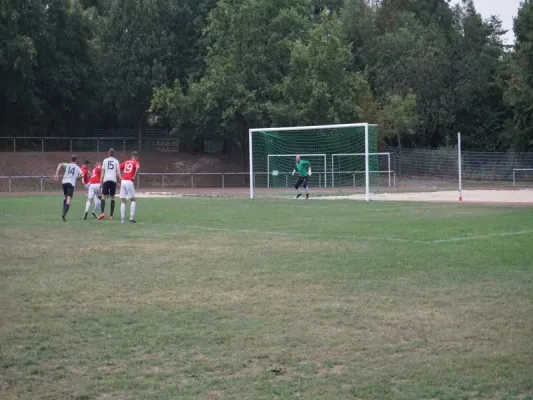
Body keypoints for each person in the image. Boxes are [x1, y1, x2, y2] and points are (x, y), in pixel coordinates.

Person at [54, 154, 83, 221]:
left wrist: (56, 174)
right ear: (76, 160)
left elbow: (60, 164)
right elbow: (82, 175)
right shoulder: (78, 167)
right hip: (71, 184)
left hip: (64, 182)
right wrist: (76, 178)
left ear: (71, 159)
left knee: (66, 198)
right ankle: (64, 214)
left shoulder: (67, 165)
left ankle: (63, 212)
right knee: (69, 199)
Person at [98, 148, 121, 220]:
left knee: (103, 196)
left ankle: (102, 213)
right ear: (114, 154)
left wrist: (100, 182)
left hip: (106, 179)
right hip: (113, 180)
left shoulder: (105, 160)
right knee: (112, 197)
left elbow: (102, 172)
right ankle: (111, 215)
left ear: (108, 154)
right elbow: (118, 173)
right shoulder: (116, 161)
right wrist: (118, 181)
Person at [119, 151, 140, 224]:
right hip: (129, 181)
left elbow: (118, 168)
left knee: (123, 200)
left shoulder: (126, 162)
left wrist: (119, 176)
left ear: (131, 156)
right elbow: (137, 167)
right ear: (136, 157)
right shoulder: (135, 162)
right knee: (133, 200)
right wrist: (134, 176)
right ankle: (131, 218)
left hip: (123, 181)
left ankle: (122, 219)